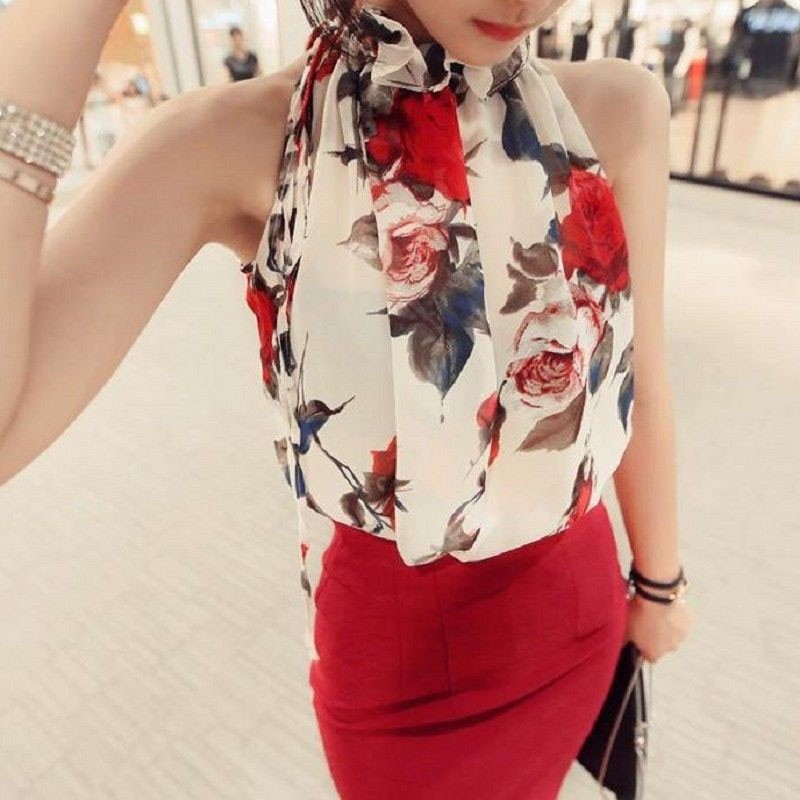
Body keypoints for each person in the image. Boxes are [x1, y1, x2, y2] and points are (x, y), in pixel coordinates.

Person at [0, 0, 693, 797]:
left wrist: (660, 583)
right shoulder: (231, 142)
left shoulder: (618, 109)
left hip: (571, 607)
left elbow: (644, 373)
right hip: (396, 663)